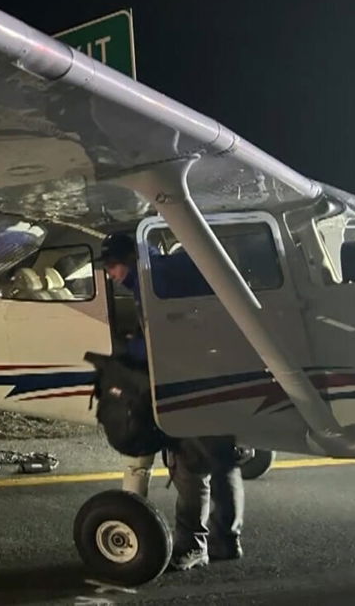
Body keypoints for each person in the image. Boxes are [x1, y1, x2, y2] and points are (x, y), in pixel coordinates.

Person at [98, 232, 245, 571]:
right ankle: (227, 540)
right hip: (222, 378)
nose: (110, 275)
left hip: (190, 386)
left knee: (189, 470)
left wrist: (127, 358)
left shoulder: (151, 283)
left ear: (128, 261)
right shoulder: (172, 268)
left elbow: (160, 338)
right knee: (223, 462)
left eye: (113, 267)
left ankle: (194, 546)